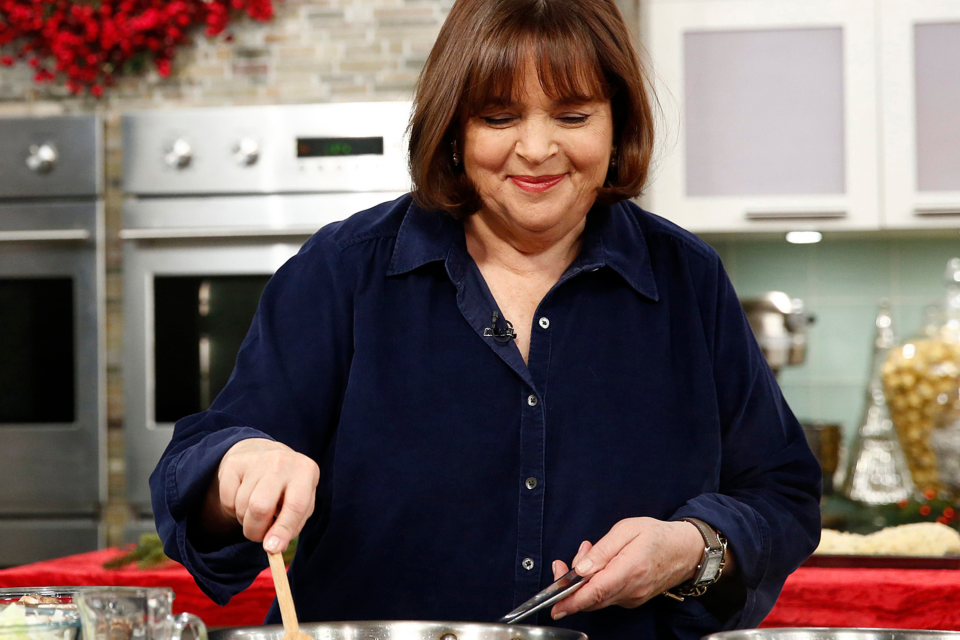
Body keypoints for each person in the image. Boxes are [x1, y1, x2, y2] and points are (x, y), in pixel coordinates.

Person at [150, 0, 822, 638]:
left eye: (572, 115)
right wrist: (239, 467)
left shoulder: (688, 280)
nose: (536, 148)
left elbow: (781, 495)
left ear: (617, 123)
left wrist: (693, 547)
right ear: (453, 129)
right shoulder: (343, 270)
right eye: (499, 118)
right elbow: (200, 474)